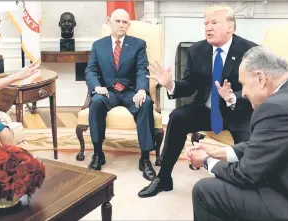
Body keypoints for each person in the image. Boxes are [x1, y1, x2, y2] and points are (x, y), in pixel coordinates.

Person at [138, 5, 258, 197]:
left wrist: (233, 96)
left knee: (249, 150)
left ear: (231, 27)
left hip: (238, 112)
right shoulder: (197, 50)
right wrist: (171, 85)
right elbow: (190, 84)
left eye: (214, 23)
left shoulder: (249, 50)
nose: (208, 28)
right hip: (208, 110)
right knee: (178, 117)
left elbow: (257, 88)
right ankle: (164, 178)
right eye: (206, 23)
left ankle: (244, 187)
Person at [188, 46, 288, 221]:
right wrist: (219, 152)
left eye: (243, 84)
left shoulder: (274, 108)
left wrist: (207, 161)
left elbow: (247, 175)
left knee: (206, 191)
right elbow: (265, 144)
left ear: (260, 79)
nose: (243, 93)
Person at [85, 9, 156, 181]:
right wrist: (96, 87)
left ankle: (145, 159)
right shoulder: (98, 45)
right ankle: (97, 153)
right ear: (110, 21)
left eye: (125, 22)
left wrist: (141, 89)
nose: (121, 25)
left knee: (145, 103)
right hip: (108, 91)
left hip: (131, 91)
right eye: (118, 21)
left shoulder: (138, 44)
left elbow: (141, 69)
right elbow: (91, 70)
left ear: (128, 25)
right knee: (96, 102)